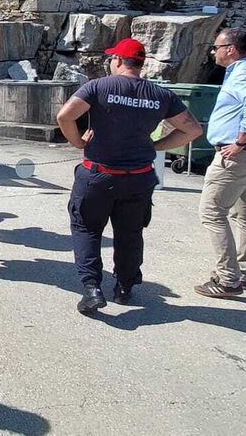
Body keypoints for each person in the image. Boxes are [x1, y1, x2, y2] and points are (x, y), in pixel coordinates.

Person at [56, 38, 203, 314]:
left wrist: (78, 142)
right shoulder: (160, 94)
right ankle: (124, 286)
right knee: (130, 233)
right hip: (138, 177)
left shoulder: (98, 87)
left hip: (97, 175)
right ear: (140, 64)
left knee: (87, 229)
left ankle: (92, 289)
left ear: (118, 61)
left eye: (112, 58)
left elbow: (65, 116)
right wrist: (156, 146)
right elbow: (193, 130)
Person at [194, 28, 246, 298]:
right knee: (244, 214)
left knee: (212, 212)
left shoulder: (244, 74)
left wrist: (240, 141)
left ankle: (228, 279)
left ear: (231, 49)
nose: (213, 52)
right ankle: (242, 272)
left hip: (237, 157)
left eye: (216, 47)